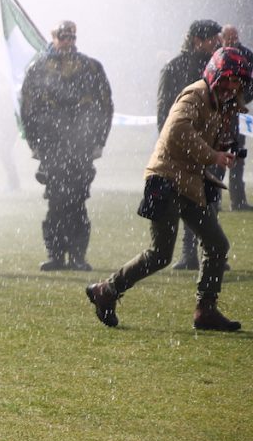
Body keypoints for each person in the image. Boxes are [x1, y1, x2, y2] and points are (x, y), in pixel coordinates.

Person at [85, 47, 248, 332]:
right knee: (161, 254)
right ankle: (107, 290)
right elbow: (177, 132)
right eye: (228, 81)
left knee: (217, 244)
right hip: (166, 180)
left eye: (237, 83)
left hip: (189, 184)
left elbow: (197, 138)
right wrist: (213, 155)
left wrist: (221, 149)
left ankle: (205, 310)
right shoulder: (195, 95)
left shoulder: (218, 103)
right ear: (215, 76)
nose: (232, 88)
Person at [20, 21, 113, 271]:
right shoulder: (38, 68)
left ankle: (78, 256)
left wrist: (99, 141)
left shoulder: (91, 68)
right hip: (52, 147)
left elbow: (105, 106)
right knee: (56, 203)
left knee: (78, 202)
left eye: (71, 37)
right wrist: (34, 143)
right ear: (54, 38)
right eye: (63, 37)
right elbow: (27, 108)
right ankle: (55, 254)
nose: (68, 42)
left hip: (81, 146)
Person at [157, 20, 223, 269]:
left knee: (211, 198)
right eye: (212, 39)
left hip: (212, 144)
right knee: (189, 199)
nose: (216, 43)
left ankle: (211, 253)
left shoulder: (214, 68)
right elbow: (165, 113)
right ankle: (189, 254)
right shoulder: (174, 69)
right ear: (197, 40)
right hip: (184, 146)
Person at [220, 24, 253, 211]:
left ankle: (238, 200)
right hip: (219, 115)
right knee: (218, 157)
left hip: (237, 115)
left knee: (238, 156)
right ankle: (213, 199)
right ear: (222, 38)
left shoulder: (246, 55)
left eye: (235, 36)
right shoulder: (217, 55)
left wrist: (241, 100)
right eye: (229, 37)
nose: (233, 40)